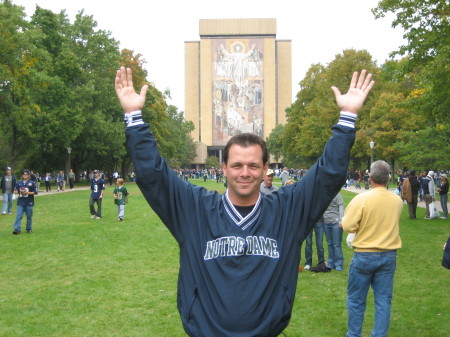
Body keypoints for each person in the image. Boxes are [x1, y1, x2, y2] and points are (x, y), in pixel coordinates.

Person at [115, 66, 374, 336]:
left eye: (253, 165)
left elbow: (328, 176)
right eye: (237, 165)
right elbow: (152, 176)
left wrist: (347, 118)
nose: (245, 172)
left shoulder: (288, 210)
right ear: (223, 168)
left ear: (265, 169)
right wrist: (134, 117)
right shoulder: (195, 209)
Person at [343, 160, 402, 337]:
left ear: (370, 177)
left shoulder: (362, 199)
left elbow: (348, 225)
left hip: (365, 254)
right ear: (388, 178)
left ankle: (354, 334)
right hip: (388, 254)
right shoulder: (396, 200)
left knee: (356, 299)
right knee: (383, 300)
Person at [322, 192, 345, 271]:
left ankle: (339, 264)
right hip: (326, 222)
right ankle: (331, 263)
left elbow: (341, 206)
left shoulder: (337, 194)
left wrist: (341, 221)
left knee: (336, 244)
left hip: (336, 222)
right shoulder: (324, 194)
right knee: (330, 244)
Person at [12, 169, 37, 234]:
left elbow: (35, 192)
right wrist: (17, 191)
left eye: (26, 174)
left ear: (29, 175)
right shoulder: (19, 183)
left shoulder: (32, 183)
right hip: (20, 202)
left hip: (29, 202)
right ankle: (17, 229)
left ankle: (29, 228)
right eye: (24, 174)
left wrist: (27, 192)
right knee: (19, 215)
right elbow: (15, 191)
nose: (25, 175)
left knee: (29, 216)